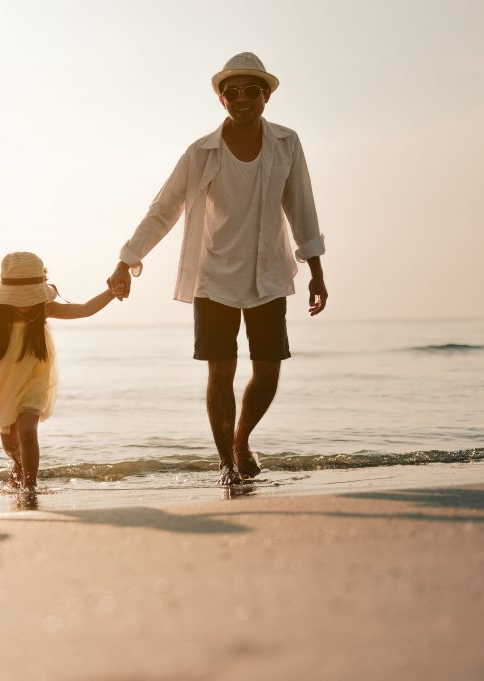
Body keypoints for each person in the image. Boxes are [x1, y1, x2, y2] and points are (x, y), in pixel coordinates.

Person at [106, 52, 328, 486]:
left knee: (267, 372)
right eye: (232, 92)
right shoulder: (200, 152)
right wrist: (127, 259)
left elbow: (302, 205)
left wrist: (316, 270)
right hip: (213, 277)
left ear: (266, 96)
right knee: (220, 371)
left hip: (267, 276)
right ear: (221, 100)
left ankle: (242, 440)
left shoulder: (287, 143)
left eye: (251, 91)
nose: (242, 98)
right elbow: (163, 209)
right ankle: (227, 461)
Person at [0, 252, 122, 494]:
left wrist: (111, 293)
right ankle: (18, 462)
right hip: (3, 381)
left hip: (34, 378)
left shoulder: (45, 308)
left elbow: (84, 309)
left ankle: (31, 486)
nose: (24, 302)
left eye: (29, 295)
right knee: (10, 444)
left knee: (28, 431)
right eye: (19, 296)